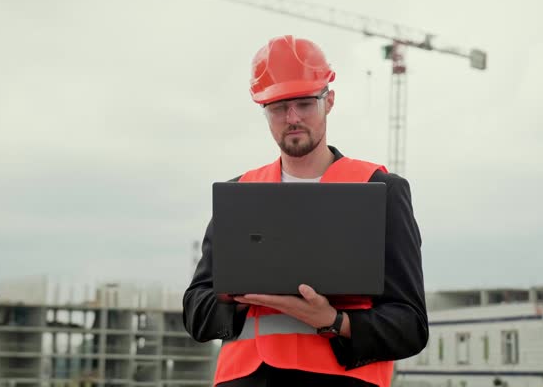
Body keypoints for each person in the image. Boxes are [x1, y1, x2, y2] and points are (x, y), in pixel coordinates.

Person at [183, 35, 428, 387]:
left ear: (329, 101)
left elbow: (411, 326)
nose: (292, 117)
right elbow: (196, 312)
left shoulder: (378, 190)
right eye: (278, 107)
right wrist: (238, 298)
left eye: (304, 103)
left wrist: (332, 320)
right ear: (264, 110)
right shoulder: (241, 193)